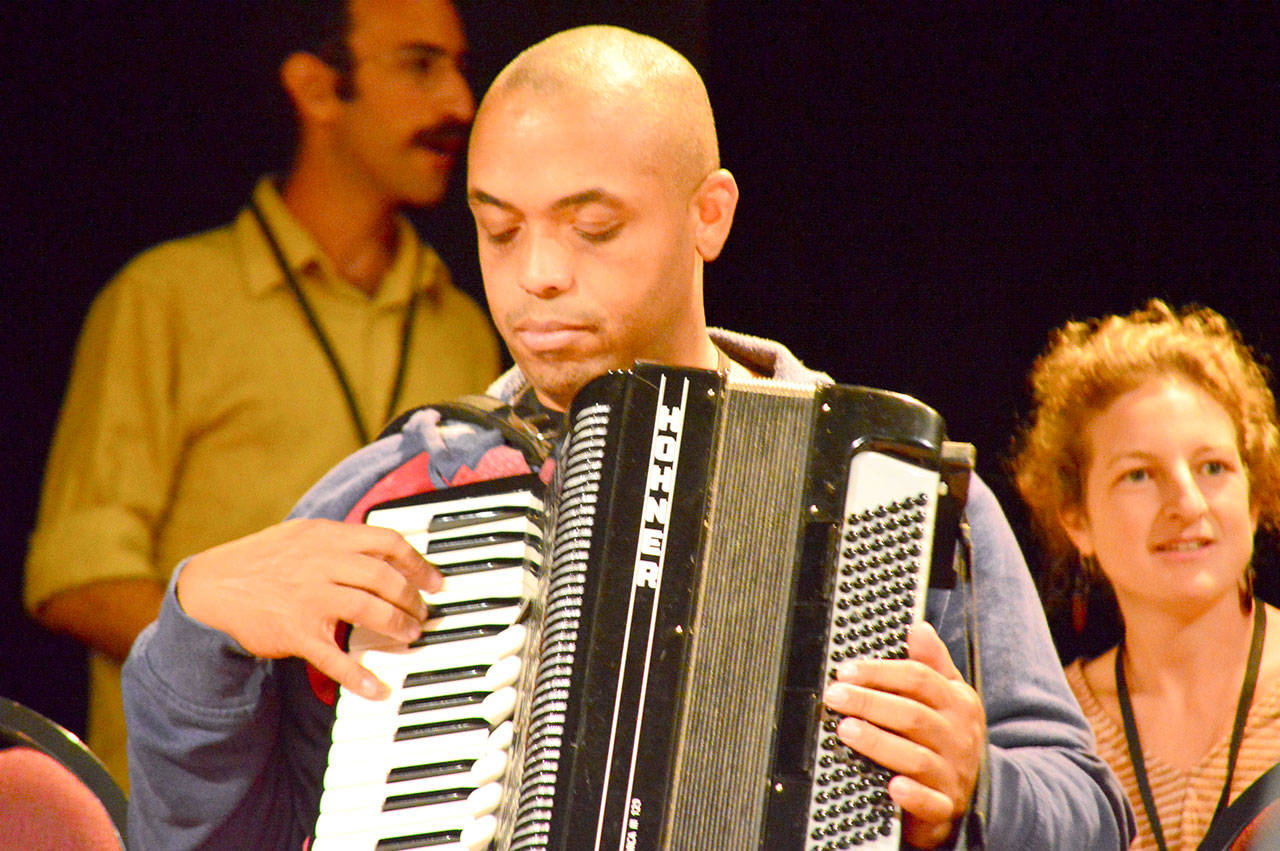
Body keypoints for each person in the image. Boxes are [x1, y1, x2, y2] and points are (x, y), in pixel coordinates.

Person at [122, 25, 1132, 850]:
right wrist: (191, 632)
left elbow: (1089, 815)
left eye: (590, 226)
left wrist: (976, 789)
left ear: (708, 213)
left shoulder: (893, 485)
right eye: (499, 228)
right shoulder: (398, 490)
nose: (538, 275)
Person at [24, 0, 500, 790]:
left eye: (459, 68)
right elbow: (77, 580)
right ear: (316, 89)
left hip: (395, 800)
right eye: (420, 65)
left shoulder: (468, 330)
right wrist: (268, 680)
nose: (460, 103)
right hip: (198, 806)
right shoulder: (165, 298)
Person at [1012, 300, 1280, 849]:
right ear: (1077, 520)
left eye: (1213, 468)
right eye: (1139, 474)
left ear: (1253, 500)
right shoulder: (1049, 740)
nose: (1186, 502)